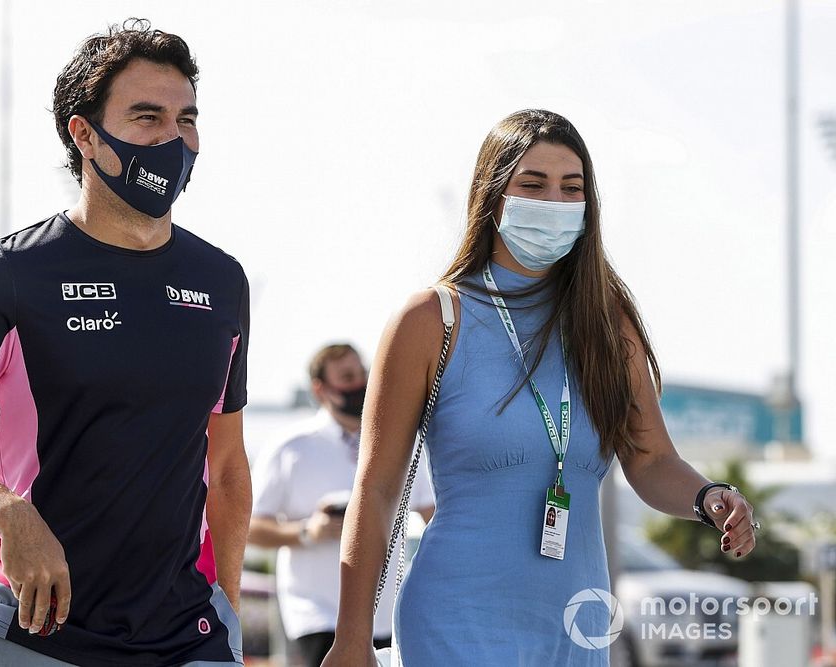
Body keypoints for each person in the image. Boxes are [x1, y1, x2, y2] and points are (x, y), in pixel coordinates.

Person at [321, 109, 759, 666]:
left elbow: (650, 461)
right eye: (533, 185)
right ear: (493, 194)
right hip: (455, 623)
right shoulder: (432, 318)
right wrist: (352, 636)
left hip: (577, 627)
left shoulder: (607, 321)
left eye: (571, 188)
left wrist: (707, 497)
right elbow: (377, 489)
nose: (553, 203)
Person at [0, 20, 250, 666]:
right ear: (85, 135)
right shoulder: (15, 272)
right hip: (39, 633)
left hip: (188, 634)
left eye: (185, 118)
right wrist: (6, 511)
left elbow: (225, 466)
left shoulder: (222, 282)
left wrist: (228, 600)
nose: (173, 139)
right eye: (147, 117)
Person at [248, 344, 434, 666]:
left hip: (391, 615)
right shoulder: (290, 448)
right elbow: (250, 528)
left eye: (363, 373)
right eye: (348, 377)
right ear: (320, 389)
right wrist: (307, 532)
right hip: (316, 617)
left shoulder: (402, 443)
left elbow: (433, 514)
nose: (360, 384)